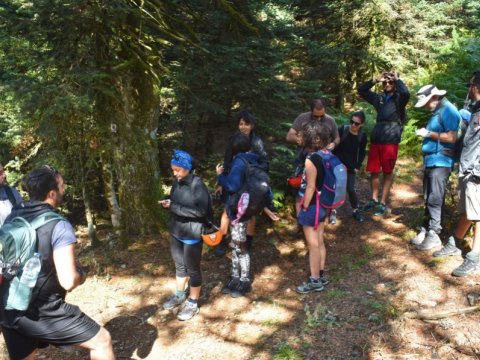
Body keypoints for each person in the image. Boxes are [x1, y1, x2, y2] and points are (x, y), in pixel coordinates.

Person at [0, 165, 115, 360]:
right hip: (42, 308)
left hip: (8, 303)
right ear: (52, 193)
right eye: (62, 185)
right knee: (102, 341)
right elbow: (68, 281)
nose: (64, 189)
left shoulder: (15, 215)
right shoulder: (59, 225)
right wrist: (81, 274)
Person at [432, 71, 480, 277]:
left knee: (478, 214)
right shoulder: (476, 109)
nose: (468, 88)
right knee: (468, 209)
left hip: (476, 169)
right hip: (467, 167)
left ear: (476, 86)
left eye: (470, 85)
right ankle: (456, 241)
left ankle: (475, 257)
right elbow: (469, 139)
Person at [216, 133, 275, 298]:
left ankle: (244, 280)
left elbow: (232, 185)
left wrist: (220, 175)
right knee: (238, 244)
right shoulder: (254, 160)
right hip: (248, 208)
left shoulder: (239, 162)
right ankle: (236, 278)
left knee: (239, 246)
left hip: (238, 211)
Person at [161, 150, 211, 321]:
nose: (175, 174)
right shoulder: (177, 182)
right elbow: (175, 200)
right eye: (173, 170)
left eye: (178, 170)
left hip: (191, 233)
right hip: (176, 231)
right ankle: (180, 294)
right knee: (179, 266)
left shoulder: (198, 185)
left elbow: (202, 212)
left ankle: (193, 302)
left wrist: (174, 207)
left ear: (187, 168)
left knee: (193, 269)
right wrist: (168, 201)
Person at [410, 85, 460, 250]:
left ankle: (434, 233)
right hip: (432, 161)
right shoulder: (438, 111)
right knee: (428, 197)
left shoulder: (449, 111)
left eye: (425, 102)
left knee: (435, 198)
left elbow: (452, 137)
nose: (424, 105)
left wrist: (427, 134)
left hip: (442, 161)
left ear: (433, 97)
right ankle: (426, 229)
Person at [214, 110, 268, 256]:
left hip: (250, 182)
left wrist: (252, 171)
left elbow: (264, 163)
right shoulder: (234, 139)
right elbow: (227, 160)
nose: (243, 127)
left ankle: (248, 243)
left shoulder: (257, 142)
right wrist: (221, 182)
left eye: (246, 124)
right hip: (232, 178)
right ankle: (221, 241)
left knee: (251, 213)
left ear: (252, 125)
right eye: (241, 124)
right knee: (226, 211)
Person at [358, 71, 410, 216]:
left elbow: (406, 92)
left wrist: (397, 79)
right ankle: (374, 200)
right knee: (374, 170)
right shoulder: (379, 98)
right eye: (385, 82)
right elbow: (361, 90)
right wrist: (375, 80)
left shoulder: (400, 98)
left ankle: (382, 202)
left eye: (390, 82)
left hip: (391, 139)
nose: (387, 84)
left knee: (387, 172)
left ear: (395, 83)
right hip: (377, 137)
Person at [286, 99, 340, 218]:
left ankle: (319, 220)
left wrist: (334, 144)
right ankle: (300, 222)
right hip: (303, 161)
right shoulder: (302, 118)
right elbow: (289, 136)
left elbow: (337, 138)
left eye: (322, 116)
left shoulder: (330, 120)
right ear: (311, 111)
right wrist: (301, 140)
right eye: (316, 116)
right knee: (300, 191)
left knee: (322, 190)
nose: (319, 119)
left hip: (323, 161)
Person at [295, 121, 331, 293]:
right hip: (323, 203)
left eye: (303, 134)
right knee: (320, 241)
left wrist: (305, 206)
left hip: (313, 206)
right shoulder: (325, 154)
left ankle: (314, 280)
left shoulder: (311, 160)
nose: (300, 136)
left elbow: (310, 187)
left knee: (313, 244)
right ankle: (321, 274)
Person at [333, 111, 368, 222]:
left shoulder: (362, 136)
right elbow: (334, 144)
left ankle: (355, 210)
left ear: (361, 124)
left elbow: (362, 152)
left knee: (351, 189)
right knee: (335, 188)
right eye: (352, 122)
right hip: (337, 164)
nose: (353, 125)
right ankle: (332, 211)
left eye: (356, 124)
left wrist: (358, 165)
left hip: (350, 166)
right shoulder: (343, 129)